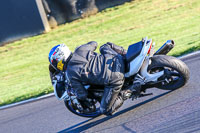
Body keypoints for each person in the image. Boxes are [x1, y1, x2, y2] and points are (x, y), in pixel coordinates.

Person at [48, 41, 131, 115]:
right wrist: (84, 47)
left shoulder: (70, 74)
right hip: (116, 58)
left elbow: (82, 95)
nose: (58, 66)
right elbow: (94, 43)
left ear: (62, 58)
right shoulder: (80, 49)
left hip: (115, 78)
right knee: (105, 46)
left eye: (57, 64)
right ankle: (126, 54)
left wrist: (74, 93)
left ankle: (128, 92)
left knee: (105, 110)